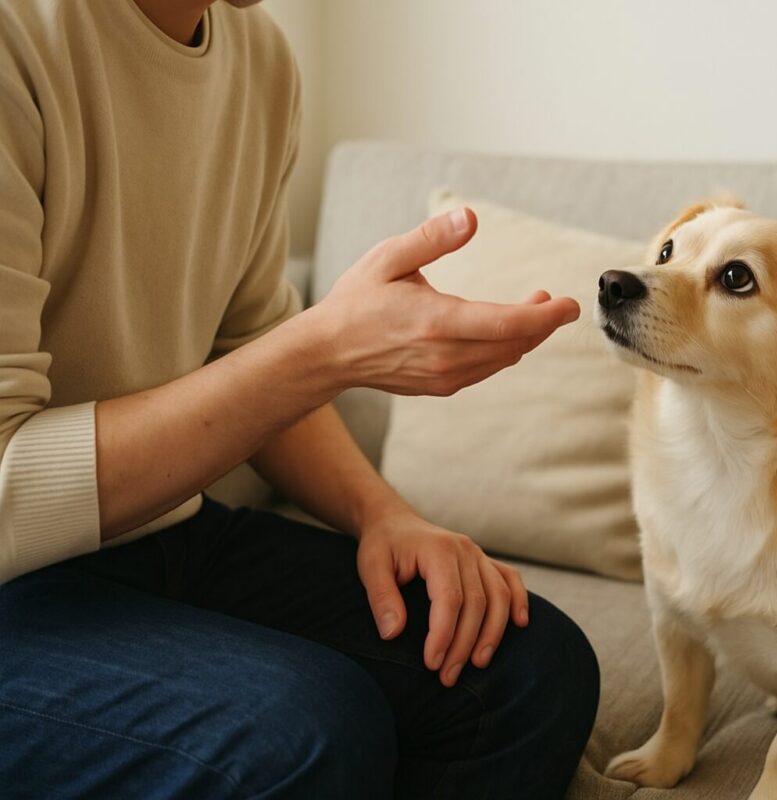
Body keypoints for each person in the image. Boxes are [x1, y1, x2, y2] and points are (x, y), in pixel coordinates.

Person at [0, 0, 600, 797]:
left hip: (165, 528)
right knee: (302, 732)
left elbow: (246, 344)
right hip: (17, 583)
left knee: (530, 670)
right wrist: (326, 348)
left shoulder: (260, 60)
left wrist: (387, 514)